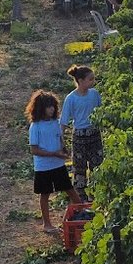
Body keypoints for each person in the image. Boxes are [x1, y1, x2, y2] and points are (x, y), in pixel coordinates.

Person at [27, 90, 83, 234]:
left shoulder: (55, 123)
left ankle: (85, 214)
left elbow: (59, 139)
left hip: (58, 165)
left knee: (70, 189)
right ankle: (47, 224)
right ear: (40, 108)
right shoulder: (35, 127)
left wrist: (64, 151)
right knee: (45, 194)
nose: (51, 109)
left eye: (53, 106)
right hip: (43, 168)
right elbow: (34, 150)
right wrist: (54, 154)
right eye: (48, 106)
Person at [61, 64, 102, 193]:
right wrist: (61, 140)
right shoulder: (71, 98)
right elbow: (64, 121)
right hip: (79, 136)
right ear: (80, 81)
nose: (93, 81)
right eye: (90, 79)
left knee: (97, 165)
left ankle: (98, 193)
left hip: (94, 134)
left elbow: (101, 112)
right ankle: (81, 197)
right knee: (79, 167)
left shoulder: (95, 94)